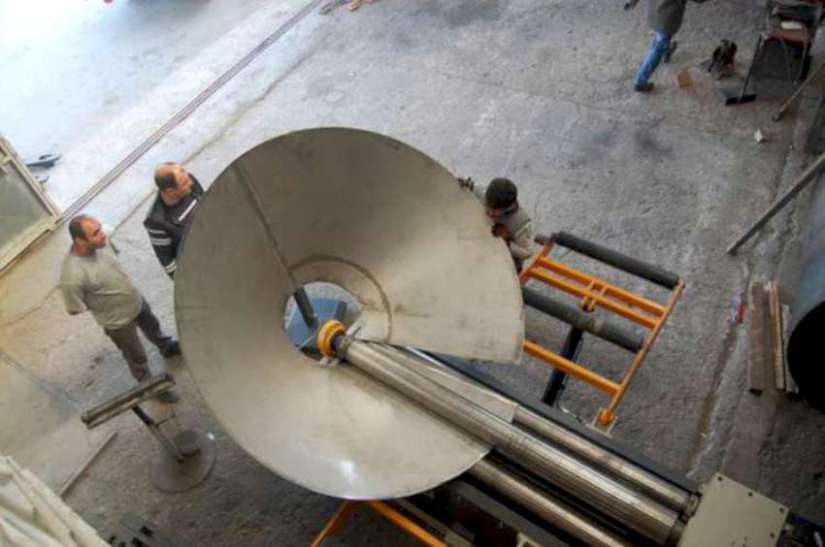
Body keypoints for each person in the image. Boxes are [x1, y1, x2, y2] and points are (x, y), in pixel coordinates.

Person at [59, 215, 180, 403]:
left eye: (100, 228)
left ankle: (166, 347)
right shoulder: (72, 276)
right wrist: (102, 304)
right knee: (136, 357)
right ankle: (151, 387)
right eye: (95, 233)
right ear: (80, 241)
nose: (103, 234)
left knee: (153, 326)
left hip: (135, 300)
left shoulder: (102, 242)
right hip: (118, 323)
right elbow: (74, 308)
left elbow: (114, 262)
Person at [459, 177, 534, 271]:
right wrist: (466, 184)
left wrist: (507, 242)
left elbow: (527, 252)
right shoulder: (484, 195)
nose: (489, 212)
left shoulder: (520, 223)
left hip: (505, 262)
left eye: (494, 211)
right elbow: (474, 189)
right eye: (487, 206)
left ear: (508, 209)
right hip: (485, 244)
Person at [144, 162, 204, 278]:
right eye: (184, 183)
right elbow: (166, 260)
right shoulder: (156, 221)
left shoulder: (188, 179)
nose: (191, 183)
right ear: (170, 192)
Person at [634, 0, 706, 92]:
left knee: (661, 36)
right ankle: (640, 82)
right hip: (668, 18)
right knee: (658, 47)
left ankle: (666, 52)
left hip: (654, 12)